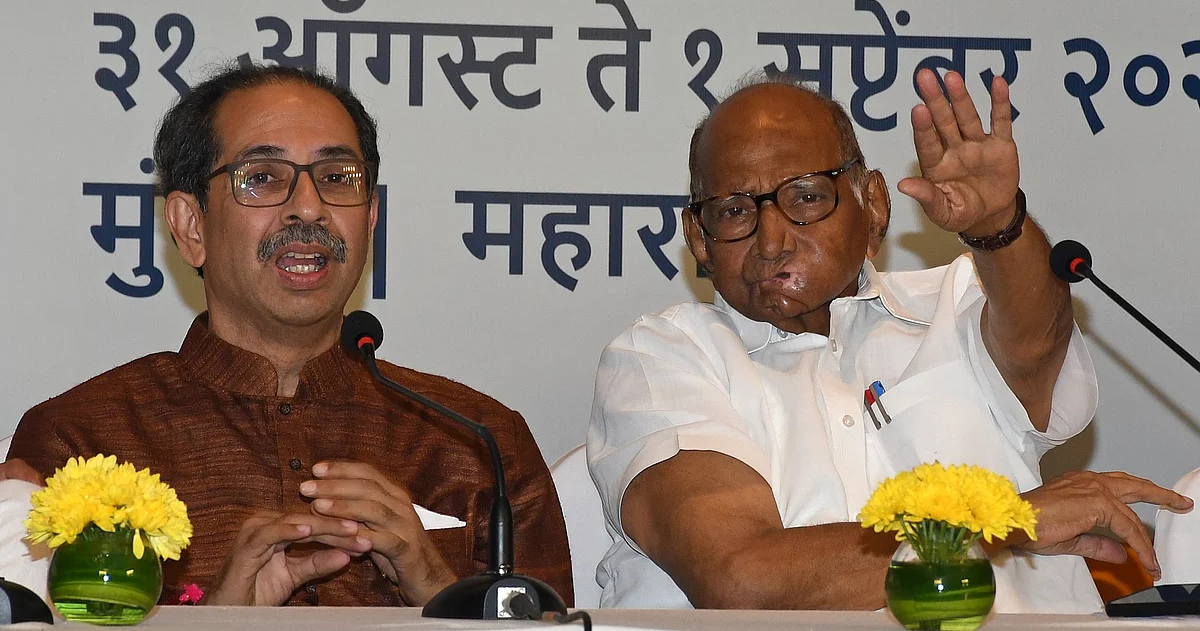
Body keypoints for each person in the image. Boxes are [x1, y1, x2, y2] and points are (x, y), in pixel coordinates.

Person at [587, 68, 1193, 612]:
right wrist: (1003, 523)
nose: (771, 240)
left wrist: (997, 227)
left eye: (805, 197)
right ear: (699, 238)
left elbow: (1037, 341)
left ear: (872, 204)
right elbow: (740, 578)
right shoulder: (661, 359)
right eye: (734, 211)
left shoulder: (957, 305)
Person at [2, 63, 572, 607]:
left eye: (336, 178)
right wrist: (214, 622)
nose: (309, 207)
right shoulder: (78, 442)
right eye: (263, 178)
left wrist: (434, 584)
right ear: (190, 225)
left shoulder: (477, 441)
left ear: (370, 218)